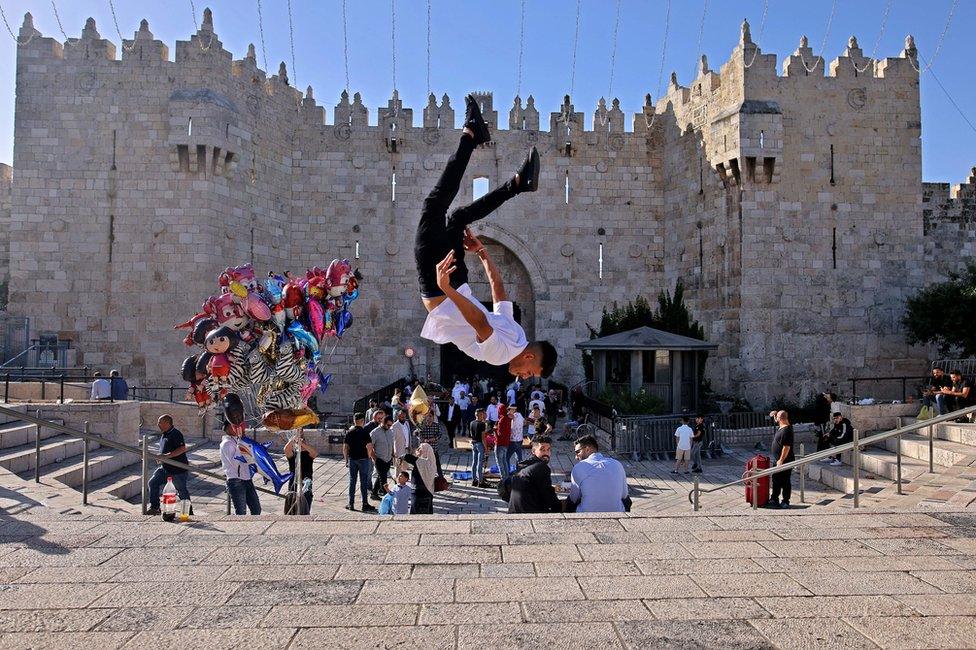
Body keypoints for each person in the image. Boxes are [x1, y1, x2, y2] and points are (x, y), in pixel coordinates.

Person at [416, 95, 557, 379]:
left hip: (458, 285)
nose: (523, 376)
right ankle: (472, 135)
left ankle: (517, 183)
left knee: (455, 217)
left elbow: (498, 290)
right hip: (443, 291)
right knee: (434, 206)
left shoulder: (517, 334)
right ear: (530, 357)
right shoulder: (501, 354)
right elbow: (480, 321)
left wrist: (483, 254)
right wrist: (448, 288)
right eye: (530, 372)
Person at [568, 435, 628, 513]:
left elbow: (574, 498)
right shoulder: (617, 464)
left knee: (569, 503)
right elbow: (624, 495)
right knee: (627, 501)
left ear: (587, 449)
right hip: (617, 512)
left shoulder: (579, 467)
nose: (576, 457)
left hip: (586, 515)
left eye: (577, 452)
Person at [146, 415, 191, 516]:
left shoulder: (176, 434)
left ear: (167, 423)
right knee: (153, 483)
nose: (158, 424)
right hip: (165, 468)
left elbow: (182, 448)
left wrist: (166, 456)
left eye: (160, 422)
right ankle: (155, 507)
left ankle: (188, 512)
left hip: (177, 469)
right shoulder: (164, 434)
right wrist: (160, 458)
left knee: (182, 491)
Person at [506, 436, 562, 514]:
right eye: (542, 449)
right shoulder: (542, 467)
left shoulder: (523, 465)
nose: (546, 453)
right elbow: (548, 494)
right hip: (530, 514)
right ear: (533, 451)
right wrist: (559, 508)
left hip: (513, 512)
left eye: (548, 450)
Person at [220, 420, 261, 515]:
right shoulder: (227, 443)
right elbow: (235, 462)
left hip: (246, 478)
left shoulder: (237, 440)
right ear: (229, 428)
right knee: (241, 511)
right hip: (236, 480)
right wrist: (241, 444)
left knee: (256, 509)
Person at [344, 413, 377, 513]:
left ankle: (351, 503)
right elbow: (370, 446)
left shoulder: (349, 432)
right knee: (364, 482)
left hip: (353, 459)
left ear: (354, 420)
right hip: (363, 459)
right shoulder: (365, 432)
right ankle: (365, 504)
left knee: (352, 481)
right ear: (362, 420)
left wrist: (346, 460)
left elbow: (345, 447)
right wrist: (368, 456)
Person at [284, 433, 318, 514]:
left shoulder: (308, 454)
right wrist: (293, 440)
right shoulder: (293, 455)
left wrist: (302, 443)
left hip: (306, 487)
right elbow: (286, 450)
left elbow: (315, 453)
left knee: (305, 511)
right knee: (292, 512)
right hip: (294, 487)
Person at [402, 443, 438, 514]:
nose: (418, 450)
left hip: (418, 492)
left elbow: (407, 457)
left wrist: (398, 455)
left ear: (425, 451)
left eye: (420, 449)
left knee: (416, 513)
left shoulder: (421, 462)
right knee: (427, 512)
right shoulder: (432, 462)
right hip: (428, 491)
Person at [769, 410, 795, 509]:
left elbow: (786, 447)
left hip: (784, 460)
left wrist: (781, 460)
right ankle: (774, 498)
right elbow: (782, 416)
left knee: (785, 481)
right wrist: (776, 414)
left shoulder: (787, 430)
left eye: (776, 418)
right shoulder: (783, 427)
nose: (775, 419)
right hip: (779, 460)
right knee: (776, 479)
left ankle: (785, 501)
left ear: (779, 419)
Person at [370, 415, 396, 501]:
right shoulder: (375, 432)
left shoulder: (390, 432)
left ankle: (374, 493)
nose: (389, 427)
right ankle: (386, 496)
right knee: (384, 479)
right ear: (383, 423)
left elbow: (391, 444)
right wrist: (375, 459)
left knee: (381, 476)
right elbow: (370, 447)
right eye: (388, 425)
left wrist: (392, 454)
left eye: (390, 425)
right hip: (379, 459)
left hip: (388, 458)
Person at [469, 408, 488, 487]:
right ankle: (480, 481)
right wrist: (486, 448)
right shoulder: (482, 424)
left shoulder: (472, 423)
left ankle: (474, 480)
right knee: (480, 463)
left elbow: (471, 434)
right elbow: (483, 438)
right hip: (480, 444)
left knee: (474, 462)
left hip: (474, 443)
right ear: (481, 415)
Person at [494, 403, 513, 480]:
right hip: (506, 443)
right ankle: (507, 477)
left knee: (500, 462)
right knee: (504, 461)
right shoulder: (508, 419)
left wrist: (495, 430)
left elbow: (500, 434)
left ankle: (503, 479)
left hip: (500, 443)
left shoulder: (501, 420)